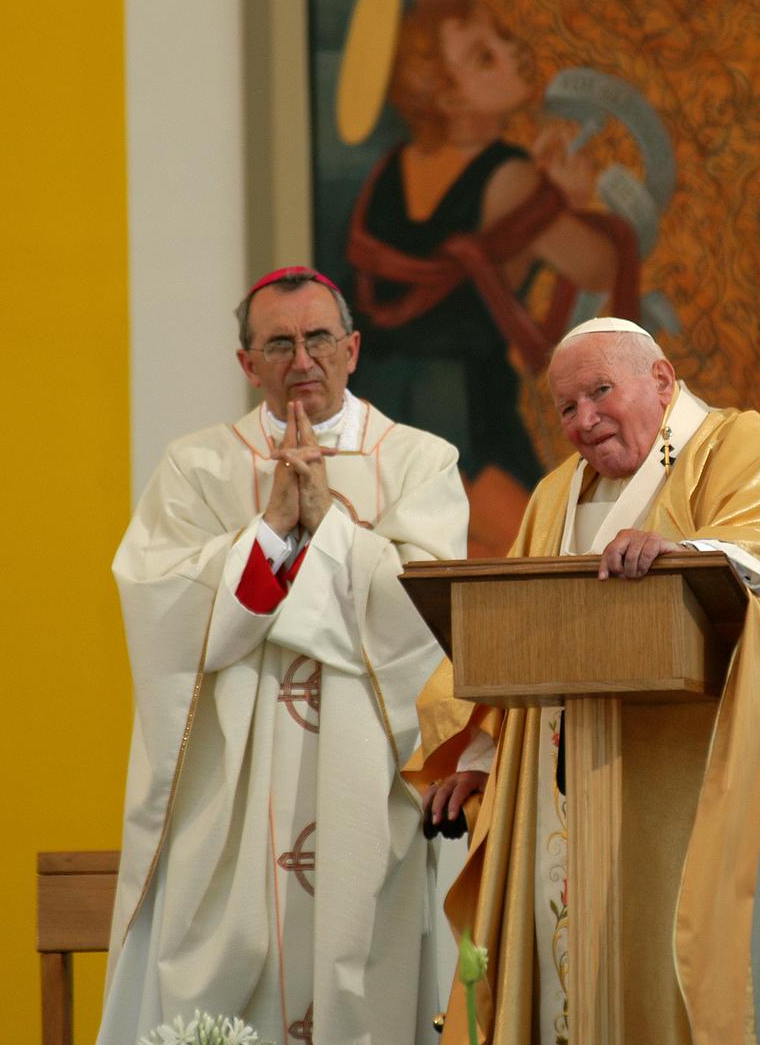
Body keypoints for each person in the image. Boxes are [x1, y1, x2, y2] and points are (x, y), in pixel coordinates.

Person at [406, 317, 760, 1045]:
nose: (584, 421)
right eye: (566, 407)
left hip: (696, 772)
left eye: (599, 392)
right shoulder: (557, 493)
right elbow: (509, 633)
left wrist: (690, 553)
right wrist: (480, 760)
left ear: (661, 379)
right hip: (564, 783)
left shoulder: (737, 447)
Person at [96, 267, 468, 1045]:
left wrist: (329, 525)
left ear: (353, 348)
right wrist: (267, 533)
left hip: (363, 773)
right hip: (233, 787)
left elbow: (433, 621)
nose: (303, 359)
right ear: (246, 363)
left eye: (319, 338)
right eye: (278, 343)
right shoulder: (196, 468)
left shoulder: (419, 463)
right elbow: (158, 605)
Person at [346, 0, 639, 557]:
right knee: (539, 570)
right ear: (447, 96)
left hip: (380, 404)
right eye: (484, 55)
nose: (512, 53)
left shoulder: (391, 170)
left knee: (445, 573)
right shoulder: (508, 176)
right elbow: (597, 264)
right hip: (462, 406)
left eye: (500, 38)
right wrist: (573, 199)